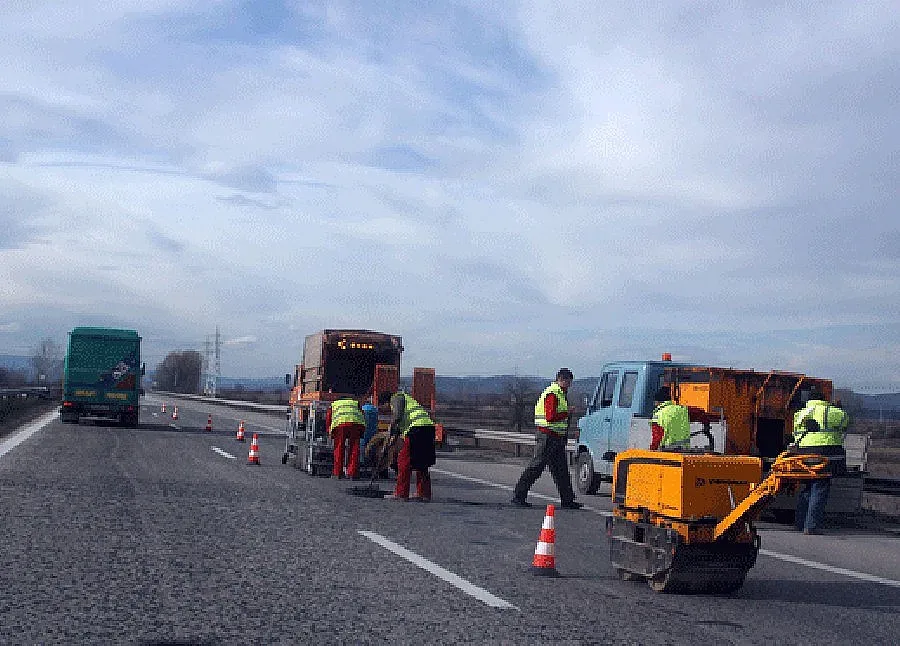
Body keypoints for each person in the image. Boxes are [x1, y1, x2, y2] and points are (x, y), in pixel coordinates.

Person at [511, 368, 582, 509]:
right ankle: (519, 495)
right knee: (536, 467)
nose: (569, 384)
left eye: (570, 382)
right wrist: (567, 412)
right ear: (561, 379)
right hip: (547, 437)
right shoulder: (552, 394)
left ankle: (567, 500)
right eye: (567, 381)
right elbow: (550, 417)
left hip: (556, 437)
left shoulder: (560, 393)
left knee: (561, 470)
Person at [791, 397, 849, 535]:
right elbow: (845, 421)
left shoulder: (800, 413)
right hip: (825, 453)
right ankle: (811, 526)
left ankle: (799, 523)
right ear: (824, 400)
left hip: (803, 454)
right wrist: (838, 408)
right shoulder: (831, 411)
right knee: (820, 486)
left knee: (807, 488)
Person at [379, 391, 436, 501]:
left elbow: (397, 416)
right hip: (427, 428)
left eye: (383, 406)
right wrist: (392, 440)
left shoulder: (396, 398)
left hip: (415, 429)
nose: (386, 410)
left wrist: (391, 427)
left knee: (404, 461)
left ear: (386, 402)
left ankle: (401, 493)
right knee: (421, 462)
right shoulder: (408, 401)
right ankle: (423, 493)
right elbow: (400, 426)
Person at [326, 397, 366, 479]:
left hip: (340, 425)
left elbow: (328, 418)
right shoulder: (355, 403)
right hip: (356, 424)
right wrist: (361, 431)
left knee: (339, 448)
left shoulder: (334, 404)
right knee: (354, 448)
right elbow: (362, 415)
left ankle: (337, 473)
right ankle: (352, 473)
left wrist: (329, 431)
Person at [360, 396, 380, 465]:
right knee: (372, 444)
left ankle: (362, 460)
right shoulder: (375, 409)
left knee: (362, 444)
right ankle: (372, 460)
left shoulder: (363, 409)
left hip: (365, 429)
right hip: (373, 430)